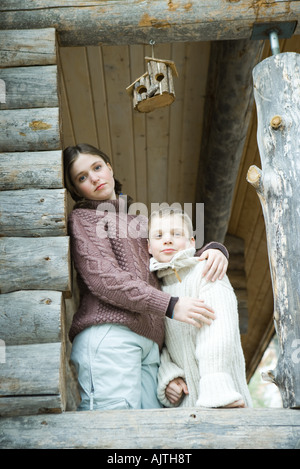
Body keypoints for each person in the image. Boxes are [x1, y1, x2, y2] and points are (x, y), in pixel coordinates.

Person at [63, 143, 229, 411]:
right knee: (113, 437)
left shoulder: (136, 222)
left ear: (109, 167)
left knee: (150, 438)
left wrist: (213, 250)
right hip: (110, 336)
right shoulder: (84, 219)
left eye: (97, 167)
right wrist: (171, 305)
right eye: (82, 177)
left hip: (150, 347)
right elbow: (105, 280)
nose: (94, 178)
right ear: (74, 189)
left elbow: (170, 254)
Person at [148, 208, 252, 408]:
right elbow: (159, 344)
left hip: (225, 398)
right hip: (187, 409)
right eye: (159, 235)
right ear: (149, 247)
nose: (167, 240)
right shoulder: (154, 291)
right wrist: (169, 376)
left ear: (192, 242)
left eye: (176, 234)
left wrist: (216, 385)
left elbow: (219, 331)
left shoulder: (207, 271)